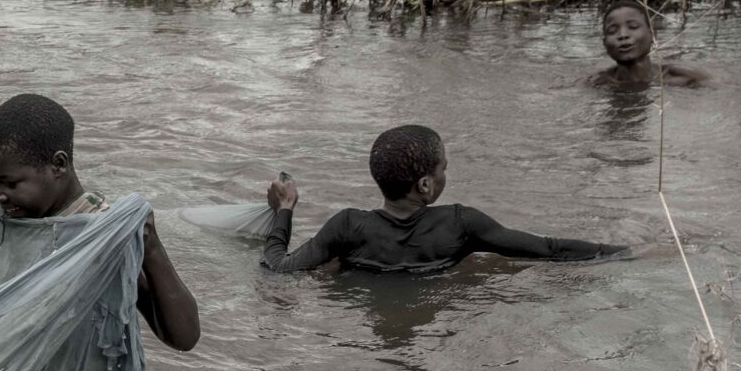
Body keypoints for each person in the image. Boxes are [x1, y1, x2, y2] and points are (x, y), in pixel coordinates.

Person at [0, 93, 201, 352]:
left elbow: (183, 338)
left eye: (9, 183)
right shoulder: (20, 211)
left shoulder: (99, 237)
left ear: (58, 165)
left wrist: (151, 248)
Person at [261, 124, 628, 274]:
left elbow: (278, 268)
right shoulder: (460, 224)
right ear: (425, 185)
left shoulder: (347, 225)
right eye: (444, 170)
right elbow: (548, 249)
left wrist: (285, 210)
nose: (445, 176)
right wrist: (620, 252)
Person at [592, 0, 709, 87]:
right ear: (605, 44)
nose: (623, 35)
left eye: (633, 27)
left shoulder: (684, 78)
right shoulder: (597, 84)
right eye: (612, 31)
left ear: (652, 35)